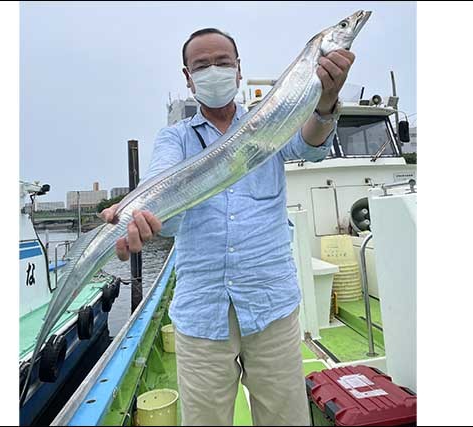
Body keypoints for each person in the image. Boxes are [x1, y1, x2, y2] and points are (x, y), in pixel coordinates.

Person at [99, 28, 355, 426]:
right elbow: (161, 182)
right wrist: (138, 212)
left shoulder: (270, 121)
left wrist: (326, 103)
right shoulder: (174, 138)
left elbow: (310, 145)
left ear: (239, 71)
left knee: (285, 419)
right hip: (202, 316)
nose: (213, 71)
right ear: (187, 77)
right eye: (202, 65)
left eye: (223, 62)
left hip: (271, 306)